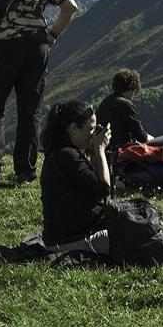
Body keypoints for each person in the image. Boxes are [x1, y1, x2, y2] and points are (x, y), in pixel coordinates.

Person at [0, 0, 78, 185]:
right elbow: (70, 6)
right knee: (30, 111)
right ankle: (25, 171)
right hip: (35, 48)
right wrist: (52, 35)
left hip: (1, 47)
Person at [39, 100, 111, 255]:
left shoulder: (64, 153)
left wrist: (93, 152)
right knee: (133, 235)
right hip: (70, 242)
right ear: (73, 128)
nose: (93, 135)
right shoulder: (67, 156)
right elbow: (104, 191)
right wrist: (100, 150)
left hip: (68, 236)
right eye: (91, 129)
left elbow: (94, 190)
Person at [96, 68, 163, 149]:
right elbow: (141, 137)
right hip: (124, 151)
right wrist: (152, 138)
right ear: (131, 88)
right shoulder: (125, 104)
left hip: (107, 150)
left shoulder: (105, 102)